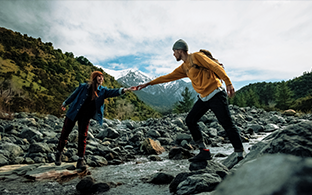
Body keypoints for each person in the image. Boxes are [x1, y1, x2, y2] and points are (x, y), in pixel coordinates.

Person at [136, 39, 244, 162]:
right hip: (204, 98)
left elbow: (214, 66)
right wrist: (149, 83)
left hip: (216, 94)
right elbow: (168, 77)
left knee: (227, 124)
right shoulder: (184, 67)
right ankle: (204, 151)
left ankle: (240, 154)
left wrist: (228, 82)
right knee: (190, 120)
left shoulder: (196, 57)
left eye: (174, 52)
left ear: (180, 50)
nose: (173, 54)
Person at [55, 71, 136, 169]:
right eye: (99, 76)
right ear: (94, 78)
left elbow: (113, 92)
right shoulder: (84, 86)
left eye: (102, 77)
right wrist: (65, 103)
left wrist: (125, 89)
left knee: (83, 137)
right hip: (73, 112)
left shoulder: (103, 90)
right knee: (65, 133)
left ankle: (80, 160)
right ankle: (59, 153)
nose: (101, 78)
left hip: (85, 116)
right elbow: (73, 95)